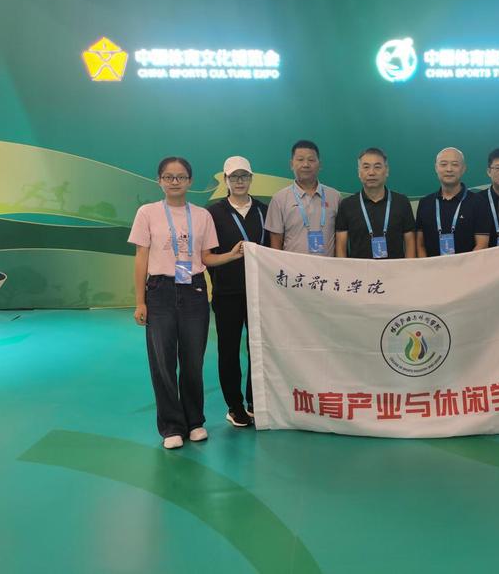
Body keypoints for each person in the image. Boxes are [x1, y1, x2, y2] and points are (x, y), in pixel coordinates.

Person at [129, 157, 243, 449]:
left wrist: (231, 255)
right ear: (159, 181)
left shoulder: (202, 215)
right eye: (168, 177)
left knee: (193, 361)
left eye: (181, 177)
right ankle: (171, 426)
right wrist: (140, 301)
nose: (175, 182)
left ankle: (194, 422)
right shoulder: (147, 213)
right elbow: (141, 258)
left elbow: (206, 258)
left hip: (194, 290)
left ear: (190, 181)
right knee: (163, 362)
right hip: (160, 291)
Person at [207, 156, 269, 428]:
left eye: (244, 176)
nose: (239, 181)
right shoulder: (213, 213)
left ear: (251, 179)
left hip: (260, 293)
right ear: (225, 180)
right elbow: (207, 254)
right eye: (234, 177)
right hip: (227, 294)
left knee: (258, 349)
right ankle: (234, 406)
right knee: (229, 350)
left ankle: (256, 401)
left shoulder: (264, 210)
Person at [335, 147, 416, 259]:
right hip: (359, 269)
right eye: (366, 167)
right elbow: (340, 247)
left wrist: (408, 267)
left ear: (386, 170)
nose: (371, 172)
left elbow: (410, 243)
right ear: (359, 172)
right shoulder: (347, 205)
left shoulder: (402, 202)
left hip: (395, 269)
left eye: (377, 167)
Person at [265, 140, 341, 256]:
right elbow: (276, 243)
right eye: (300, 159)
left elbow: (341, 239)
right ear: (291, 164)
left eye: (311, 160)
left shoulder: (335, 197)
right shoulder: (279, 199)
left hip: (328, 267)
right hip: (292, 267)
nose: (306, 164)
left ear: (319, 164)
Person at [415, 147, 490, 257]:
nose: (449, 169)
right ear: (436, 168)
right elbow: (420, 245)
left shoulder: (479, 202)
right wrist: (427, 266)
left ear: (463, 168)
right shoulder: (425, 203)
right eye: (443, 164)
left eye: (455, 164)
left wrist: (462, 267)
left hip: (468, 267)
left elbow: (482, 245)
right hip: (432, 267)